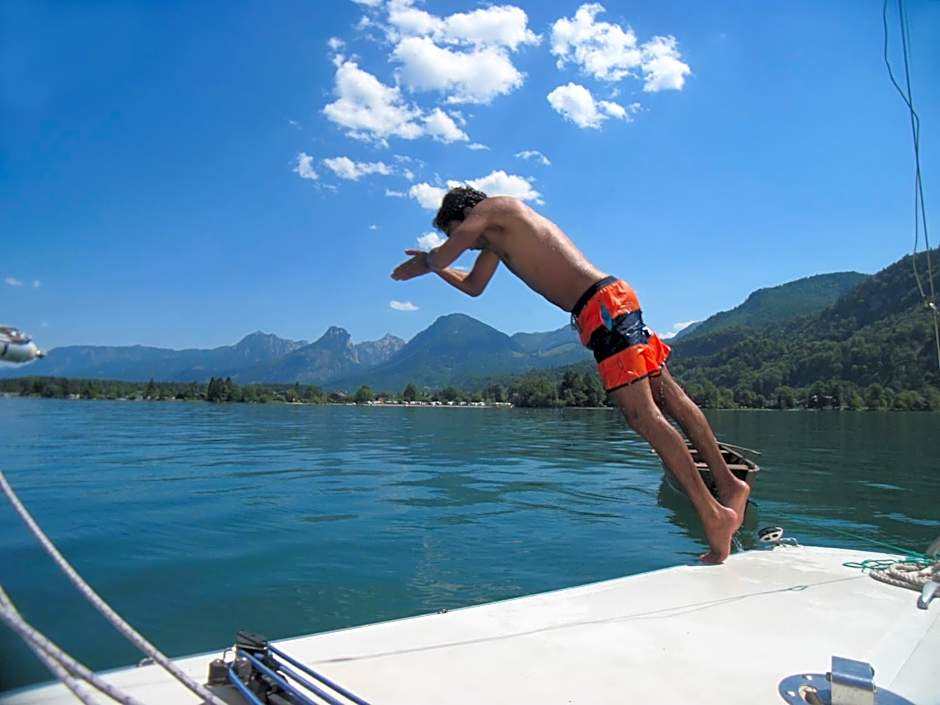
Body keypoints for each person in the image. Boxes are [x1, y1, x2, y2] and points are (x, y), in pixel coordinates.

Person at [391, 186, 749, 563]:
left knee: (643, 415)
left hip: (602, 308)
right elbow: (474, 286)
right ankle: (729, 484)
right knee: (670, 397)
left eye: (453, 230)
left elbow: (451, 248)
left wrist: (429, 262)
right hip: (611, 300)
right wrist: (439, 267)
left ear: (462, 214)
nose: (467, 244)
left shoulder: (494, 207)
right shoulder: (498, 238)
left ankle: (713, 514)